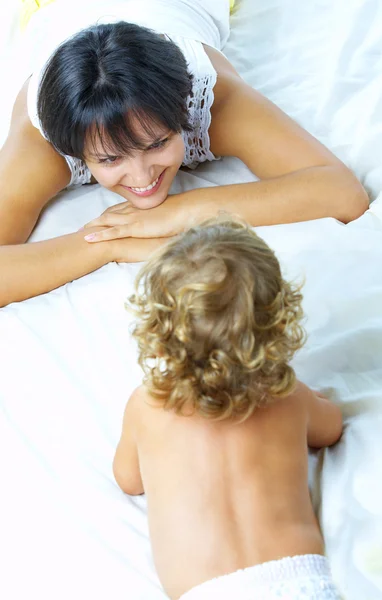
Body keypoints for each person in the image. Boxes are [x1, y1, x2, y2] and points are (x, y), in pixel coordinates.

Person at [0, 0, 368, 307]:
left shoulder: (213, 100)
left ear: (183, 111)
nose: (143, 178)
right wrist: (106, 246)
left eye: (157, 143)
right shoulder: (42, 143)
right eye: (111, 159)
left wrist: (181, 211)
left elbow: (342, 192)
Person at [113, 218, 343, 600]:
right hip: (302, 584)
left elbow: (129, 480)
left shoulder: (147, 406)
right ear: (276, 322)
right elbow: (331, 428)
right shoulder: (286, 396)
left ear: (159, 329)